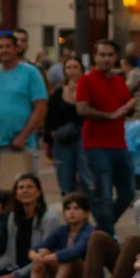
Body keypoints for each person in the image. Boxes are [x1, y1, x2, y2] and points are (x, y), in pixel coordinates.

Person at [76, 39, 135, 236]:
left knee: (128, 194)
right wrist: (109, 115)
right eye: (102, 55)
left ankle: (101, 231)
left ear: (116, 58)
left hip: (119, 144)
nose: (106, 59)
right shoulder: (86, 80)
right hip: (96, 145)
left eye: (110, 55)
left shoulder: (119, 80)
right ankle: (108, 237)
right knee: (104, 197)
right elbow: (81, 109)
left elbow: (127, 106)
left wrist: (130, 107)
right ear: (95, 57)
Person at [4, 192, 94, 278]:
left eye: (77, 208)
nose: (71, 212)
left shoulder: (90, 232)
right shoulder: (62, 230)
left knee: (65, 260)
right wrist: (35, 255)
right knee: (42, 253)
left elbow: (75, 251)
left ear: (86, 213)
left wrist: (46, 257)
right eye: (68, 209)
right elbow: (37, 247)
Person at [0, 30, 47, 186]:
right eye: (0, 47)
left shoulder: (30, 72)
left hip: (20, 145)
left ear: (16, 48)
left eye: (7, 46)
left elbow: (40, 108)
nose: (3, 50)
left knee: (22, 194)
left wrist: (23, 136)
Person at [46, 55, 91, 197]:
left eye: (75, 67)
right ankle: (69, 206)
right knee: (65, 179)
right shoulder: (58, 93)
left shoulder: (89, 91)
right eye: (68, 68)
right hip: (62, 139)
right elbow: (50, 117)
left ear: (82, 70)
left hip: (84, 139)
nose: (72, 71)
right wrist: (50, 136)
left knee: (87, 177)